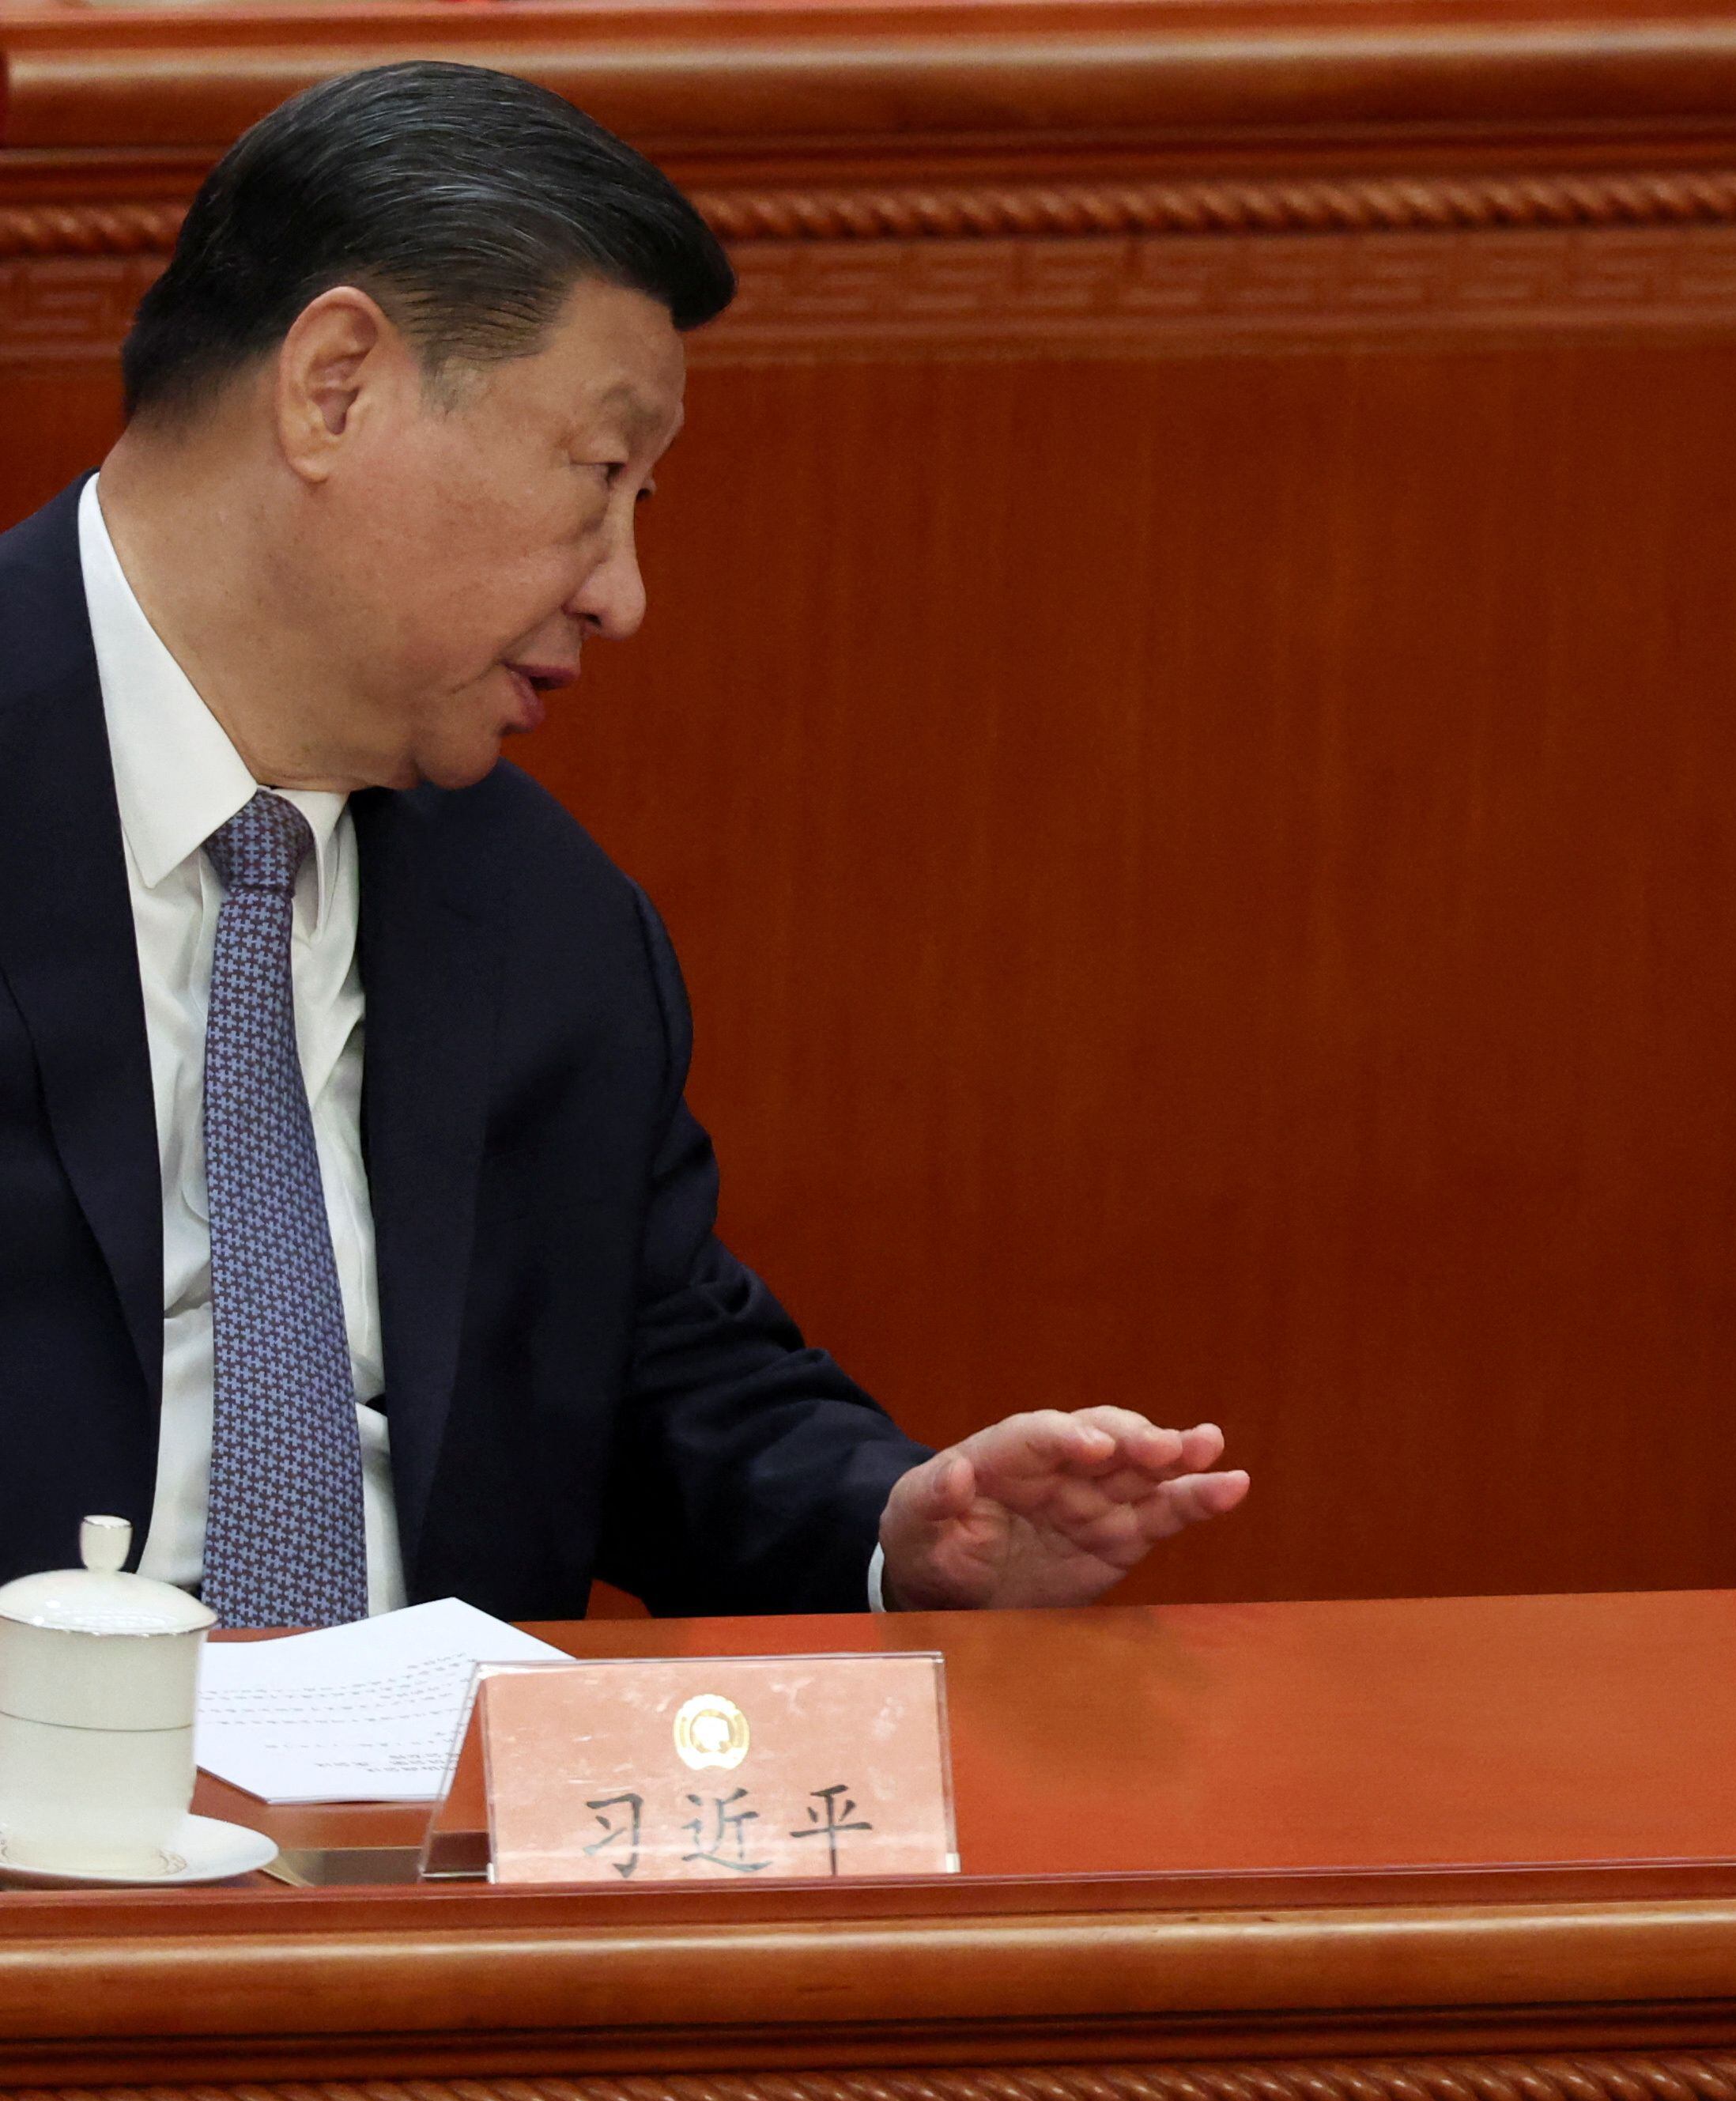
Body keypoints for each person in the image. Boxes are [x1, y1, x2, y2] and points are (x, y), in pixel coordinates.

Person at [0, 61, 1247, 1624]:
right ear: (334, 388)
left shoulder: (544, 919)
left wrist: (901, 1529)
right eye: (598, 478)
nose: (623, 593)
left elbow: (659, 1382)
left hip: (442, 1826)